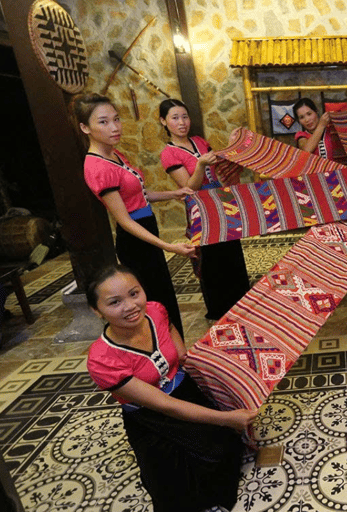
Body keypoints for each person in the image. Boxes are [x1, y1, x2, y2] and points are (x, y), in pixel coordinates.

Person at [86, 265, 257, 512]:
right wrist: (227, 418)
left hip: (184, 390)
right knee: (172, 484)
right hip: (149, 416)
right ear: (96, 310)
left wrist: (181, 352)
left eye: (134, 294)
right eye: (115, 302)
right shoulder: (102, 359)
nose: (131, 306)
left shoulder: (155, 311)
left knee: (222, 451)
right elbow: (164, 405)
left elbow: (169, 327)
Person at [75, 93, 193, 337]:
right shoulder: (97, 166)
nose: (115, 127)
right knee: (153, 303)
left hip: (146, 231)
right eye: (104, 122)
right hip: (136, 240)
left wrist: (173, 193)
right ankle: (165, 360)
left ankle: (177, 355)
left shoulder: (115, 154)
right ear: (85, 127)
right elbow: (125, 220)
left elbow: (138, 194)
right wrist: (168, 247)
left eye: (116, 119)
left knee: (164, 299)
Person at [159, 99, 251, 320]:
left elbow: (219, 168)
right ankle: (220, 309)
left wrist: (232, 146)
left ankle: (241, 303)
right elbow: (189, 188)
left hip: (221, 204)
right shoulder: (169, 153)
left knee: (232, 252)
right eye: (175, 118)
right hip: (201, 210)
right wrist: (200, 164)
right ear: (163, 122)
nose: (182, 122)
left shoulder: (199, 141)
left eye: (185, 116)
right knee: (211, 260)